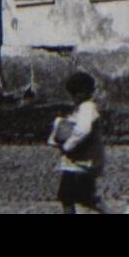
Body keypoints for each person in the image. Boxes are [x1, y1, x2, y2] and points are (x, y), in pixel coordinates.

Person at [47, 70, 107, 213]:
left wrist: (67, 146)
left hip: (81, 163)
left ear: (85, 92)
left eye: (76, 93)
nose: (74, 97)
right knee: (84, 198)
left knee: (67, 197)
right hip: (81, 163)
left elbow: (83, 130)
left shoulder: (87, 108)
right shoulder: (83, 108)